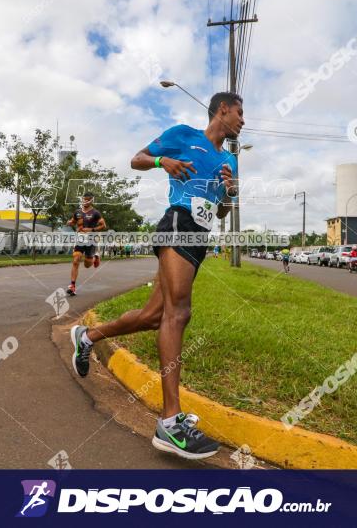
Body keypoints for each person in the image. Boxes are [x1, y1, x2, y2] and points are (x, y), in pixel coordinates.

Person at [68, 91, 243, 460]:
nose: (243, 122)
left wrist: (229, 192)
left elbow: (224, 212)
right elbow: (137, 159)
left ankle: (86, 336)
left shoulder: (230, 158)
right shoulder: (183, 135)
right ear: (222, 110)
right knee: (178, 313)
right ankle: (170, 421)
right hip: (176, 223)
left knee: (152, 317)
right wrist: (164, 161)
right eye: (239, 114)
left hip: (200, 236)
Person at [66, 193, 106, 296]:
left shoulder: (96, 213)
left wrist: (92, 229)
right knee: (76, 260)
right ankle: (72, 286)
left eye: (87, 199)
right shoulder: (78, 212)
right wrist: (70, 222)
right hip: (79, 238)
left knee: (87, 265)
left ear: (91, 200)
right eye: (84, 199)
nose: (85, 201)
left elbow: (103, 225)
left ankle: (95, 257)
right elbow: (73, 221)